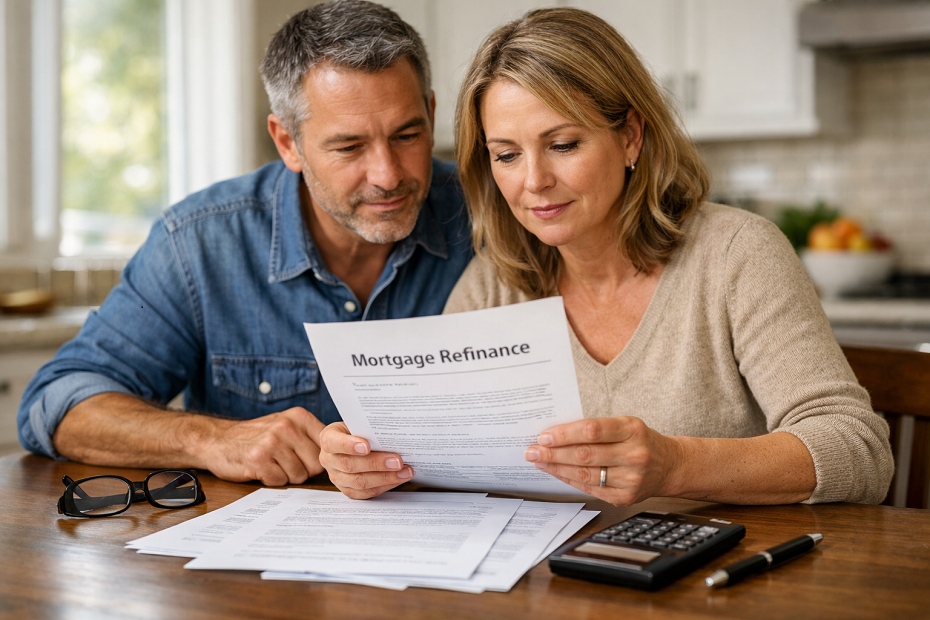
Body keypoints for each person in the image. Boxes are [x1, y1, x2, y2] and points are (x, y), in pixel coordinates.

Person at [320, 6, 893, 505]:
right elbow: (441, 462)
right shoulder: (496, 281)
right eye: (507, 155)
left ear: (630, 137)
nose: (534, 182)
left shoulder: (736, 256)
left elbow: (858, 450)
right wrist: (373, 465)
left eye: (563, 145)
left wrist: (675, 465)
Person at [17, 0, 471, 487]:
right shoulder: (199, 244)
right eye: (349, 147)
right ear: (287, 143)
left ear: (431, 112)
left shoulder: (491, 218)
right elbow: (59, 402)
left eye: (407, 135)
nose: (387, 175)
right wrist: (209, 439)